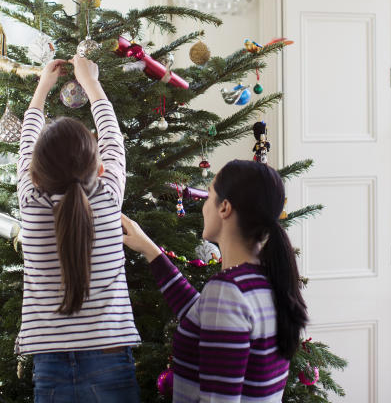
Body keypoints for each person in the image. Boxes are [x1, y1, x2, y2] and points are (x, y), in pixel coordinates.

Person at [122, 160, 308, 402]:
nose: (202, 206)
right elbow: (198, 313)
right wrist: (150, 250)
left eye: (209, 195)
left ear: (224, 208)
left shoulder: (228, 290)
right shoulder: (267, 280)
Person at [16, 55, 141, 403]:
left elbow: (26, 144)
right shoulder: (108, 197)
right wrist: (91, 82)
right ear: (99, 168)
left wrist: (43, 87)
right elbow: (114, 141)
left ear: (35, 175)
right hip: (111, 359)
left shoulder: (30, 204)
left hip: (50, 365)